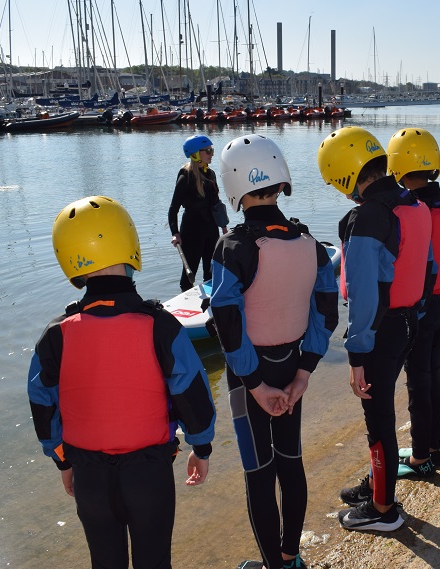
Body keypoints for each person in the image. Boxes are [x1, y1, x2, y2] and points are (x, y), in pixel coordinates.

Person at [27, 195, 216, 569]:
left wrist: (62, 461)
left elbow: (42, 402)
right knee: (154, 561)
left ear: (70, 259)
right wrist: (202, 448)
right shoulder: (160, 326)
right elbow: (192, 394)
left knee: (105, 562)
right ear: (130, 247)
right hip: (149, 474)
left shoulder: (56, 335)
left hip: (89, 476)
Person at [210, 134, 339, 569]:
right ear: (281, 182)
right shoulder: (311, 245)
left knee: (258, 473)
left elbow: (227, 322)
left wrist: (255, 383)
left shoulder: (232, 247)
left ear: (233, 187)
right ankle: (291, 554)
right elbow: (326, 312)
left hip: (250, 378)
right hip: (291, 366)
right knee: (291, 461)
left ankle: (273, 566)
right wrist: (303, 372)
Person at [317, 126, 433, 532]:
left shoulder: (369, 216)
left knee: (378, 417)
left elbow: (366, 294)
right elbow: (430, 266)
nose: (339, 191)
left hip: (381, 332)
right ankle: (377, 484)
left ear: (347, 173)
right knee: (383, 411)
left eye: (337, 182)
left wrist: (357, 353)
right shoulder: (413, 203)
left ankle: (384, 508)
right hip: (409, 322)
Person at [385, 127, 440, 478]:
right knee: (432, 376)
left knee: (418, 383)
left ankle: (421, 457)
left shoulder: (410, 214)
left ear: (399, 169)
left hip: (418, 311)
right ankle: (434, 446)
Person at [169, 135, 229, 293]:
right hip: (191, 231)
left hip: (211, 230)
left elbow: (216, 204)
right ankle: (186, 301)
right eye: (208, 151)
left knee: (212, 273)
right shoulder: (186, 177)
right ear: (195, 154)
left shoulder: (211, 175)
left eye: (212, 150)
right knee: (188, 277)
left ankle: (211, 305)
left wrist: (223, 226)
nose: (212, 154)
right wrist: (175, 233)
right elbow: (173, 209)